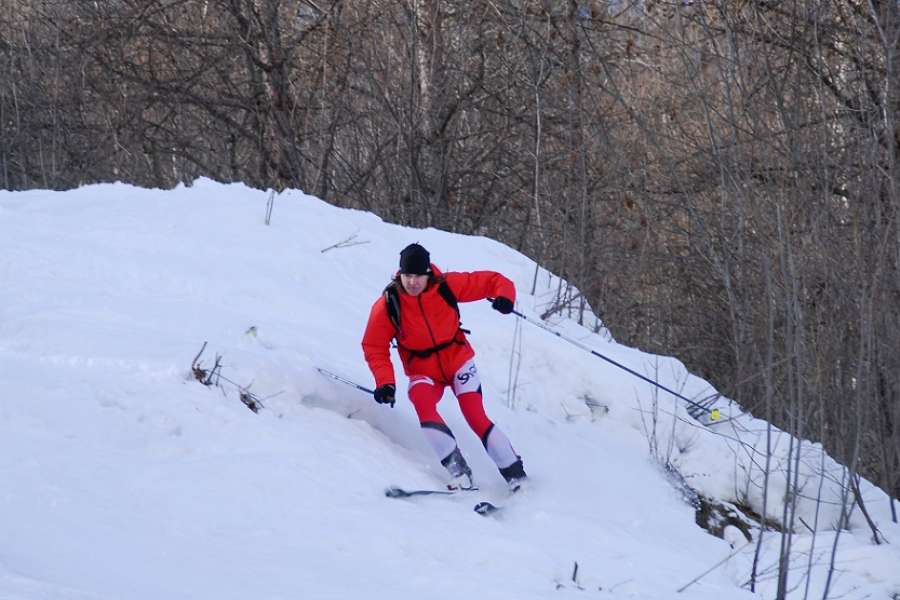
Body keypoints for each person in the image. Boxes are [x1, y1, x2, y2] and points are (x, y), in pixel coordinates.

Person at [361, 243, 527, 491]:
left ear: (428, 273)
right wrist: (385, 383)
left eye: (418, 276)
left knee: (474, 415)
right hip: (422, 369)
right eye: (407, 275)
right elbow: (374, 346)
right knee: (421, 402)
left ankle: (516, 475)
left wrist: (505, 297)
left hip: (458, 360)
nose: (413, 282)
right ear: (400, 274)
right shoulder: (389, 304)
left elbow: (492, 280)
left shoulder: (445, 286)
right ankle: (458, 470)